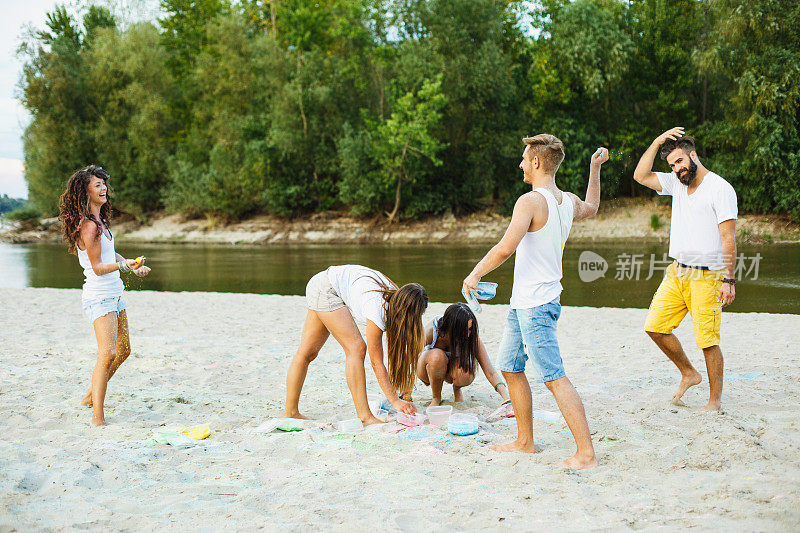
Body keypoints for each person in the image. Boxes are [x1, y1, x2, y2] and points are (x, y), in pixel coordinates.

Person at [463, 134, 607, 469]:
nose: (521, 164)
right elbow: (594, 207)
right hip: (526, 302)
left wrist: (474, 274)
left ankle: (586, 454)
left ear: (537, 162)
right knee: (510, 367)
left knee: (554, 376)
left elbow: (504, 248)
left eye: (525, 158)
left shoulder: (530, 202)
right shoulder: (567, 200)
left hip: (537, 306)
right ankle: (525, 441)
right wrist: (594, 168)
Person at [633, 128, 737, 412]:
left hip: (709, 275)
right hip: (677, 272)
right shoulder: (676, 184)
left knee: (707, 340)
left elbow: (728, 238)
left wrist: (729, 279)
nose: (677, 169)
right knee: (654, 327)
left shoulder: (720, 188)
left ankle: (714, 401)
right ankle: (689, 373)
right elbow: (640, 176)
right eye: (672, 165)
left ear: (693, 155)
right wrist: (656, 142)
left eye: (680, 161)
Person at [58, 165, 150, 426]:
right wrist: (122, 265)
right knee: (107, 353)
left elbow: (111, 256)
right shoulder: (88, 226)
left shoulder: (101, 222)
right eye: (97, 185)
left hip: (115, 292)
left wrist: (131, 264)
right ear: (84, 191)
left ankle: (89, 396)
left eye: (104, 184)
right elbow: (97, 268)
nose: (103, 188)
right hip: (100, 296)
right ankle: (97, 416)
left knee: (124, 350)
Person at [284, 264, 428, 424]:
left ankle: (291, 412)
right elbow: (376, 362)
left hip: (325, 282)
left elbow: (410, 345)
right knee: (356, 348)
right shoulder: (377, 307)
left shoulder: (401, 298)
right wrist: (395, 401)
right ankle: (365, 417)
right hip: (326, 289)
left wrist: (405, 395)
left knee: (307, 353)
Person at [415, 302, 511, 407]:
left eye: (470, 329)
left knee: (465, 373)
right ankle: (436, 398)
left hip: (450, 371)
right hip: (427, 371)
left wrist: (507, 399)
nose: (468, 334)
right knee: (437, 356)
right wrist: (406, 393)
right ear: (451, 328)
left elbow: (490, 371)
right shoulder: (431, 332)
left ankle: (457, 389)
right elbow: (410, 359)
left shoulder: (472, 337)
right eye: (463, 330)